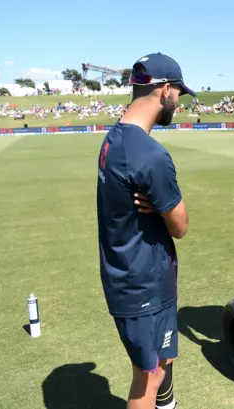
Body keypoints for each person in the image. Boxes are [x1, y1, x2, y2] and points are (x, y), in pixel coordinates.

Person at [97, 52, 195, 409]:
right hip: (142, 283)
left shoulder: (114, 138)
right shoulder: (149, 154)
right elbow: (181, 226)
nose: (178, 103)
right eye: (179, 95)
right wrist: (163, 209)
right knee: (150, 374)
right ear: (165, 90)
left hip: (132, 274)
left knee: (160, 363)